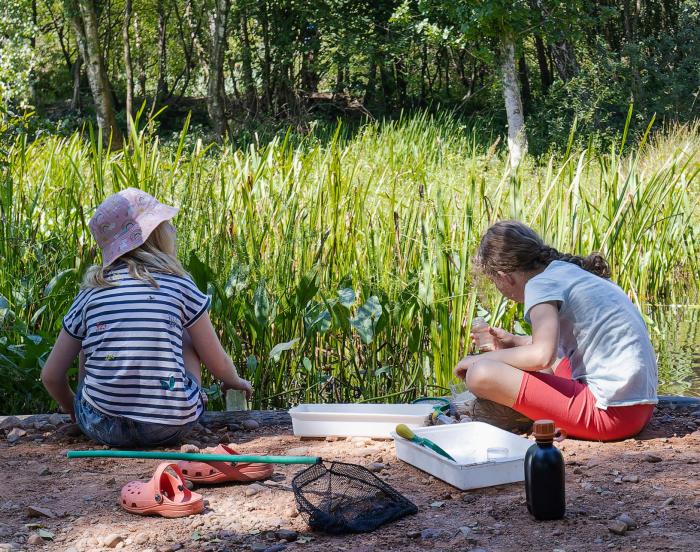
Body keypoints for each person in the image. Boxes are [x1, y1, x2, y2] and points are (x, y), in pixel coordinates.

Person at [41, 188, 252, 447]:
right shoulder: (179, 283)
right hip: (169, 425)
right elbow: (215, 360)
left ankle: (99, 402)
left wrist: (78, 411)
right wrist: (234, 380)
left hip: (100, 425)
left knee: (91, 337)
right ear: (156, 234)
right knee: (187, 332)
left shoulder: (91, 291)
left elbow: (50, 375)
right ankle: (178, 400)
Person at [454, 220, 657, 441]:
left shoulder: (539, 285)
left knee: (480, 374)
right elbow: (557, 348)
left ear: (505, 277)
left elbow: (542, 356)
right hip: (638, 409)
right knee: (552, 361)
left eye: (495, 283)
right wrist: (514, 341)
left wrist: (476, 360)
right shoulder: (568, 272)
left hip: (610, 416)